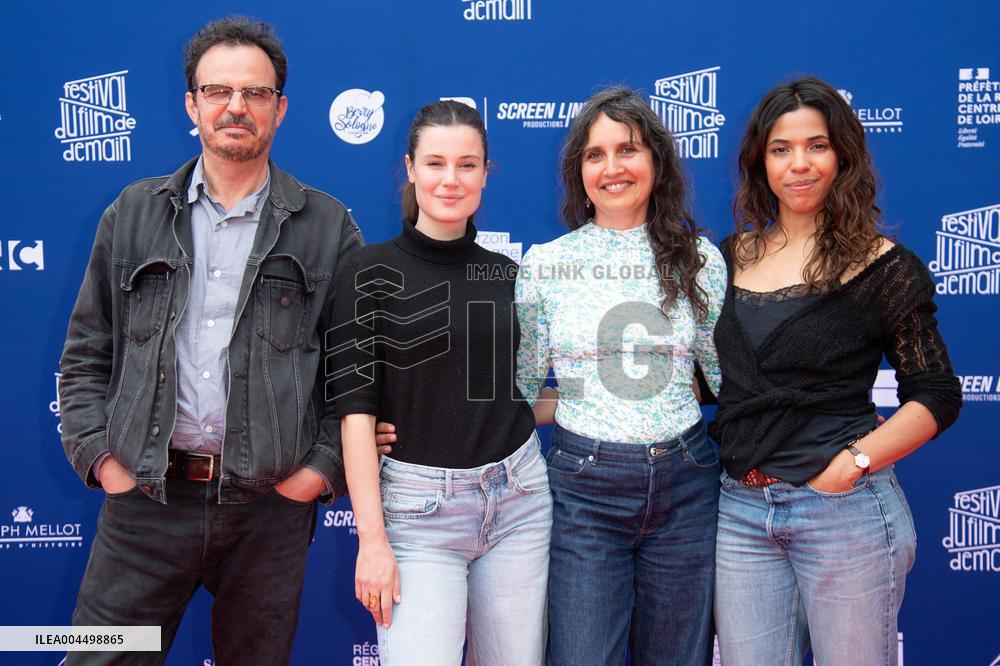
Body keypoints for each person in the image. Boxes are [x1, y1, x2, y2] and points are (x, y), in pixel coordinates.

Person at [58, 17, 362, 664]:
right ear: (191, 104)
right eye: (217, 91)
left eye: (255, 93)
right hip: (143, 504)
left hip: (268, 515)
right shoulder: (133, 213)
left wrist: (316, 474)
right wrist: (100, 458)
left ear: (279, 108)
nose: (235, 107)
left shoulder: (327, 227)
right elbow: (87, 353)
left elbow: (356, 374)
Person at [710, 76, 962, 666]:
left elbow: (937, 393)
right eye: (781, 149)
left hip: (843, 515)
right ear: (760, 163)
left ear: (842, 154)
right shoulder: (724, 259)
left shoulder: (886, 267)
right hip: (741, 513)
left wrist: (854, 464)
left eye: (816, 145)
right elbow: (706, 379)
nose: (799, 164)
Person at [331, 100, 552, 666]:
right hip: (417, 517)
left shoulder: (506, 275)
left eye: (467, 164)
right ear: (409, 169)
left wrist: (608, 399)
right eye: (435, 163)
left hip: (519, 503)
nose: (450, 179)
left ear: (485, 173)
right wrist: (372, 540)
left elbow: (517, 394)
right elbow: (355, 411)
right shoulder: (366, 270)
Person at [515, 87, 726, 666]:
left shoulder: (702, 261)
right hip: (585, 487)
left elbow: (725, 379)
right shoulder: (546, 264)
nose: (612, 168)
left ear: (656, 161)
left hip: (687, 482)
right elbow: (521, 391)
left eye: (627, 150)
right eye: (594, 154)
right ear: (577, 171)